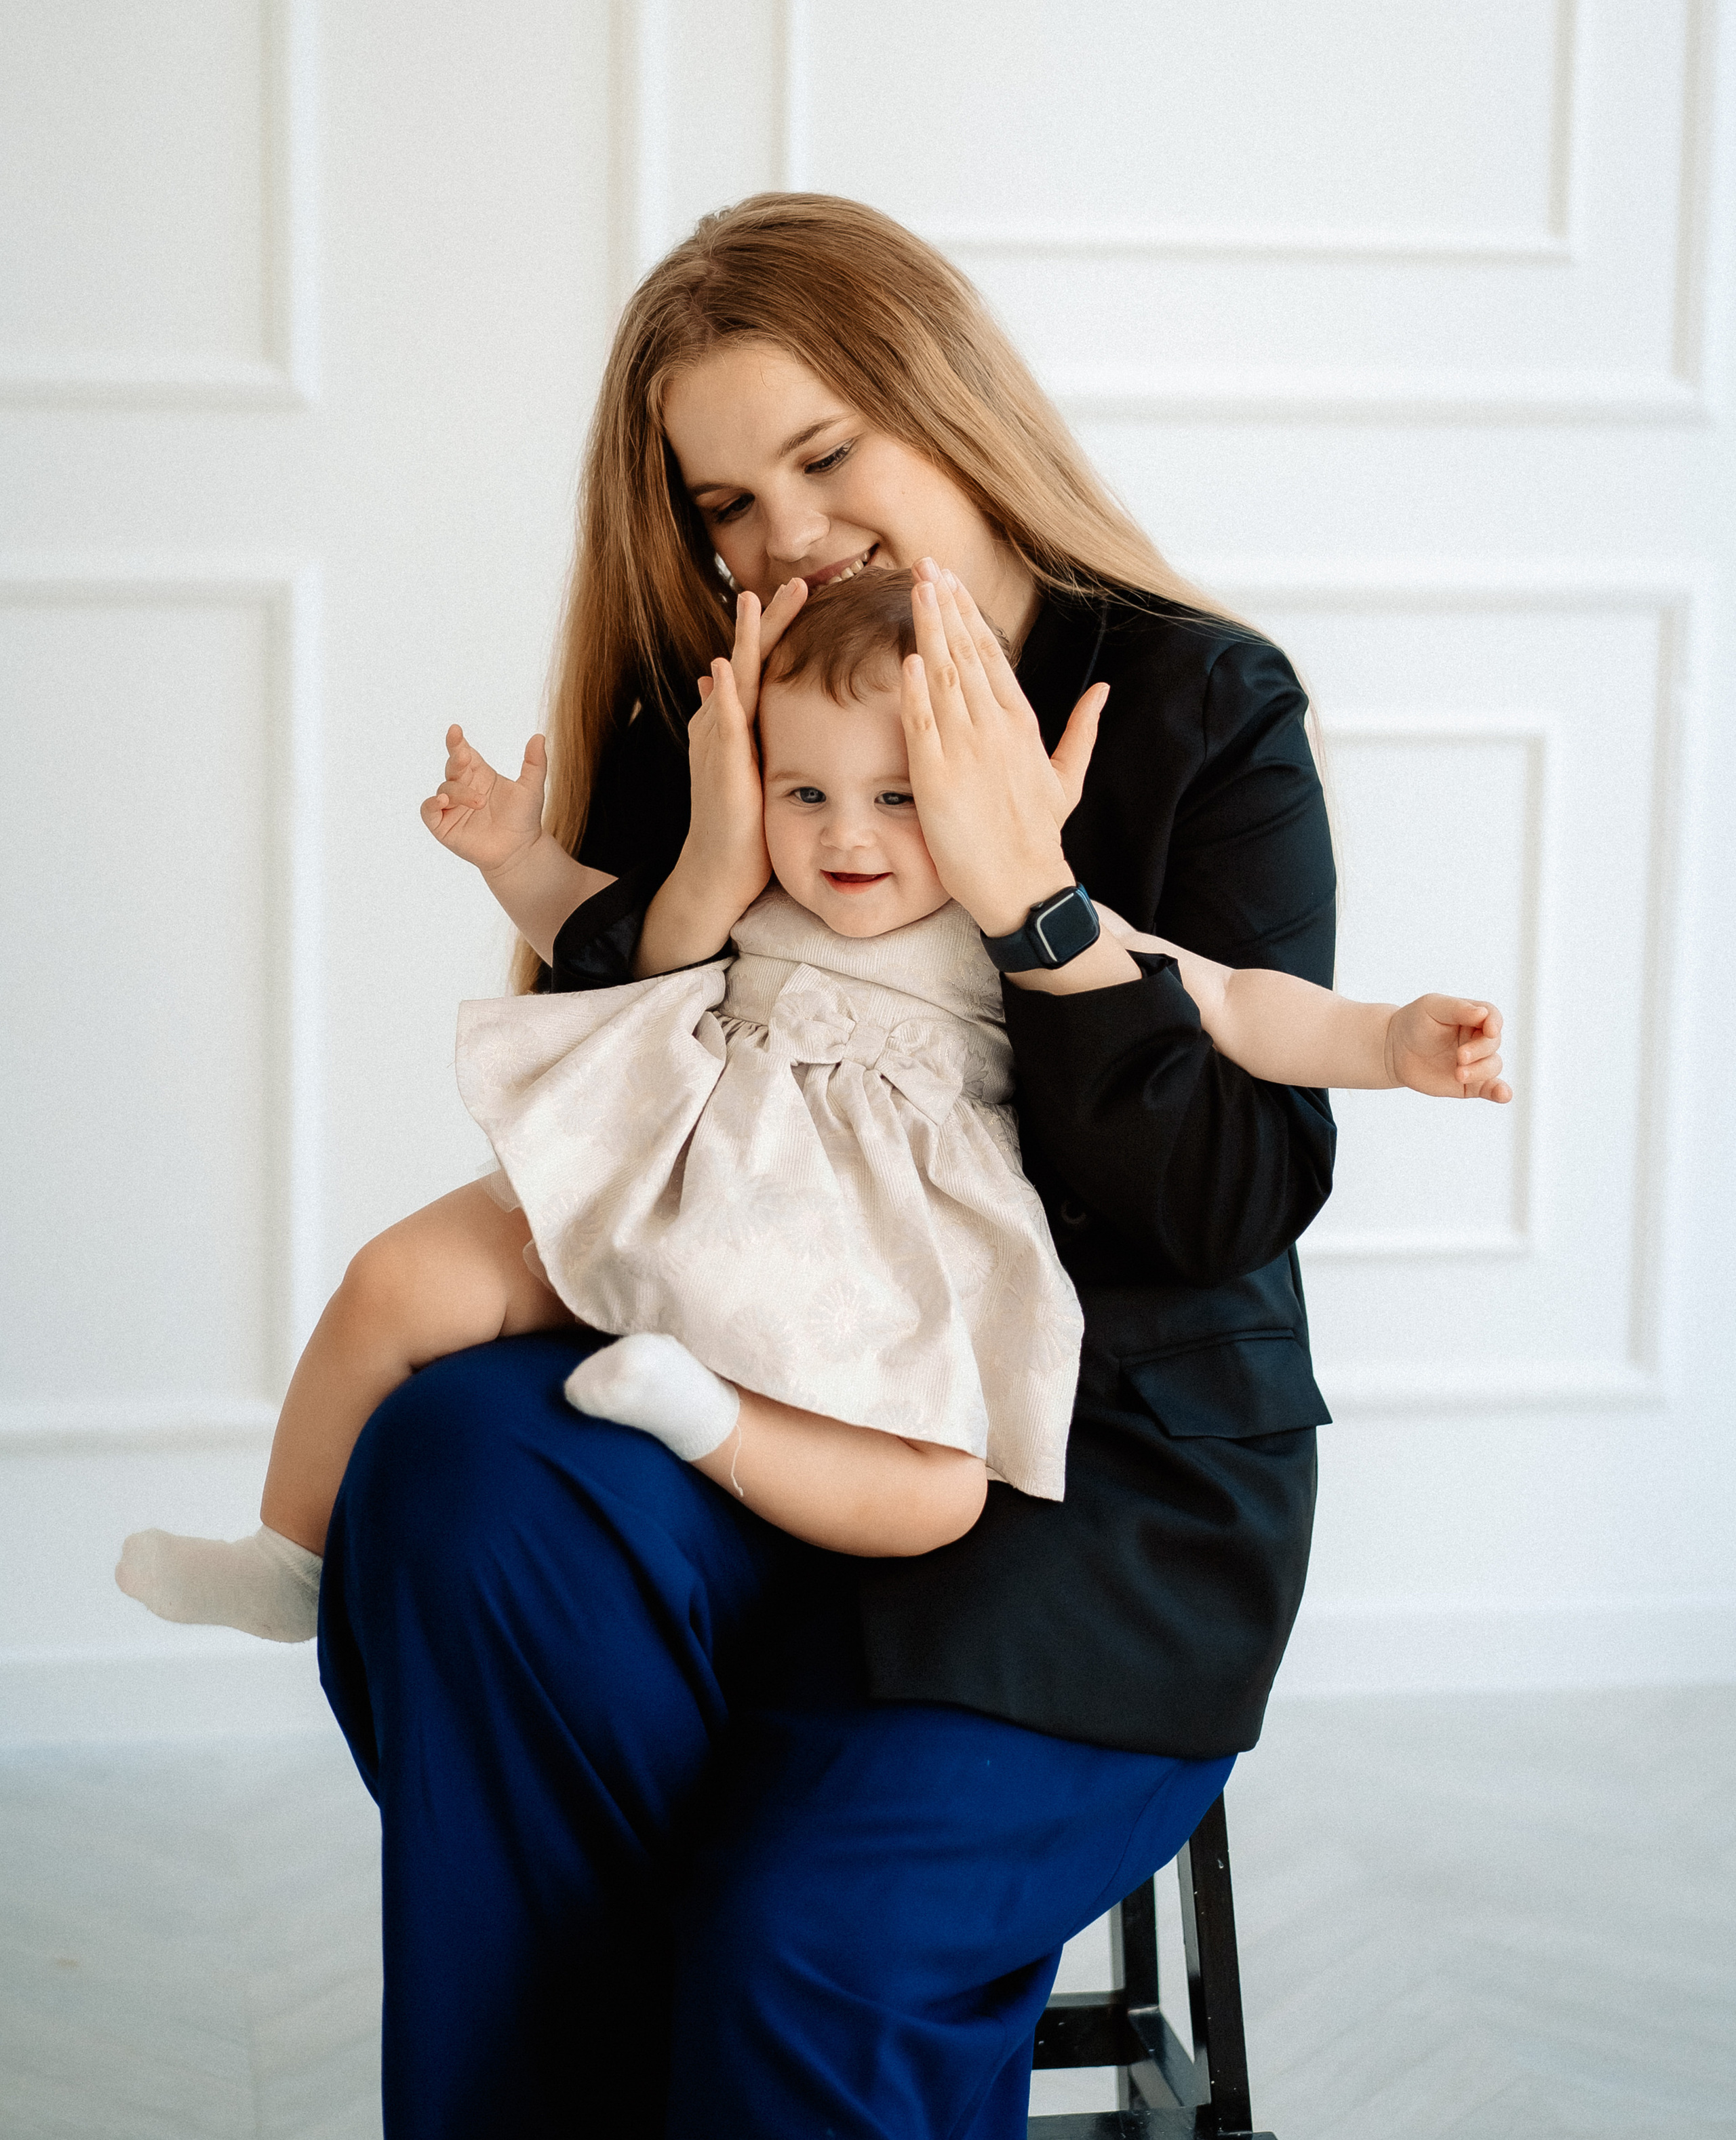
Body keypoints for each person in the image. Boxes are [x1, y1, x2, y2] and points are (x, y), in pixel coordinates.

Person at [136, 190, 1496, 2140]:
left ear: (944, 405)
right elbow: (609, 1104)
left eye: (825, 456)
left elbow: (1226, 1205)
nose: (780, 538)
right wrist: (676, 871)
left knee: (804, 1947)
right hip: (735, 1350)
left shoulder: (1201, 711)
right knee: (454, 1478)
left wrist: (1038, 907)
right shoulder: (724, 711)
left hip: (1082, 1475)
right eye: (721, 505)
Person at [119, 570, 1507, 1642]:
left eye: (900, 796)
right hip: (676, 1191)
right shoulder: (750, 889)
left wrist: (1389, 1039)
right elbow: (585, 915)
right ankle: (291, 1560)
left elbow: (1242, 1006)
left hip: (861, 1270)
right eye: (807, 791)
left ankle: (705, 1417)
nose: (845, 835)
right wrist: (512, 852)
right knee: (396, 1279)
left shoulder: (1017, 915)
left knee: (937, 1491)